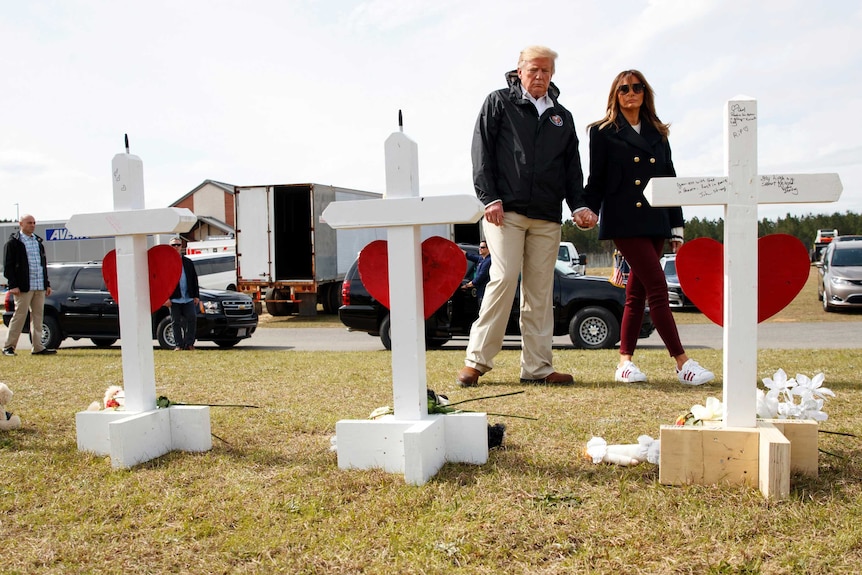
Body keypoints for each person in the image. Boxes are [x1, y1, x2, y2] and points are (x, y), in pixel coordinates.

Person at [457, 46, 597, 387]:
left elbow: (571, 167)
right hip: (505, 212)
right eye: (533, 70)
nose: (539, 76)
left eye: (546, 71)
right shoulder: (498, 102)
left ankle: (537, 368)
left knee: (539, 290)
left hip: (547, 216)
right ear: (519, 70)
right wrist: (489, 197)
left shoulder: (561, 116)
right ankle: (476, 362)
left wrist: (578, 204)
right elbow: (482, 151)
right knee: (504, 279)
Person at [584, 69, 714, 385]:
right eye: (624, 88)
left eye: (637, 88)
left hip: (655, 220)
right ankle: (682, 363)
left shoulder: (658, 132)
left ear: (645, 93)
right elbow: (597, 179)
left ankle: (625, 363)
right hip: (623, 220)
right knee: (658, 287)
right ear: (615, 94)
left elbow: (670, 179)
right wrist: (586, 207)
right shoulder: (602, 132)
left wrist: (676, 227)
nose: (631, 93)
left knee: (636, 294)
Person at [3, 214, 56, 356]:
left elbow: (42, 265)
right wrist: (13, 285)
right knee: (19, 316)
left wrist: (47, 284)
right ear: (21, 223)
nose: (32, 225)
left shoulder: (38, 242)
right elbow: (8, 266)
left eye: (34, 223)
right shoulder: (13, 243)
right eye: (29, 223)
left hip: (39, 286)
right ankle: (8, 347)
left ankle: (38, 347)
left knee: (38, 317)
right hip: (23, 287)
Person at [166, 238, 200, 351]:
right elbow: (163, 282)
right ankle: (179, 345)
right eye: (173, 245)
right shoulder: (166, 263)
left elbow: (194, 279)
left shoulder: (188, 262)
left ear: (181, 246)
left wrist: (196, 296)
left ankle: (189, 343)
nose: (176, 247)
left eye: (178, 245)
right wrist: (166, 298)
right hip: (174, 299)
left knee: (192, 318)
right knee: (175, 322)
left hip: (188, 297)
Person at [462, 241, 492, 307]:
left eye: (482, 247)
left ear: (488, 249)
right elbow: (474, 257)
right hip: (480, 291)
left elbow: (481, 275)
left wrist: (469, 284)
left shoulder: (488, 261)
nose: (480, 249)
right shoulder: (482, 258)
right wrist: (465, 254)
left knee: (483, 310)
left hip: (484, 292)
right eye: (479, 247)